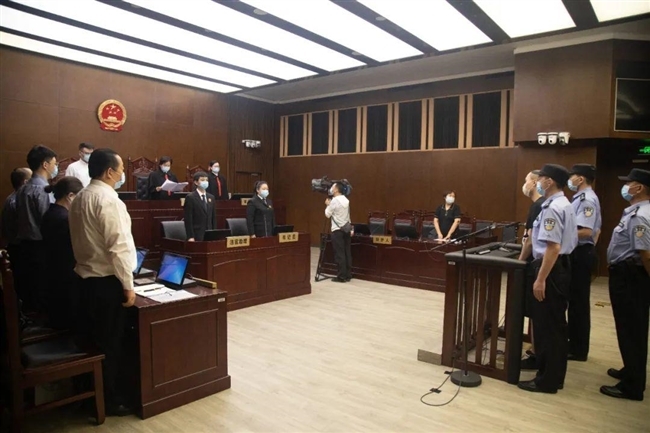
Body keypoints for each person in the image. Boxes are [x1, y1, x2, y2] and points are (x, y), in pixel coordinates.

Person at [69, 148, 136, 416]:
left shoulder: (80, 197)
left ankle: (88, 396)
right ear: (109, 172)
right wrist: (128, 285)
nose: (122, 175)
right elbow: (118, 247)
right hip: (106, 283)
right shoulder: (109, 200)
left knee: (90, 340)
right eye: (121, 170)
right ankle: (109, 401)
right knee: (110, 344)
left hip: (83, 280)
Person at [517, 164, 577, 394]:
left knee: (547, 328)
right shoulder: (564, 204)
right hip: (560, 268)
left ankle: (546, 381)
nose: (538, 182)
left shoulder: (552, 207)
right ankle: (554, 377)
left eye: (541, 178)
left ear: (549, 181)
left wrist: (540, 279)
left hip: (550, 269)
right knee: (556, 327)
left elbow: (552, 247)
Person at [601, 168, 650, 401]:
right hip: (628, 276)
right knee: (629, 328)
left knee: (631, 330)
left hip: (631, 277)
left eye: (629, 183)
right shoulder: (637, 211)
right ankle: (630, 369)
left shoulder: (639, 215)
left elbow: (645, 254)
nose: (625, 187)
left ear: (638, 188)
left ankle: (632, 386)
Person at [15, 145, 57, 311]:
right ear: (45, 165)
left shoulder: (22, 189)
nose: (55, 167)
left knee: (31, 290)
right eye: (54, 163)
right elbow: (49, 221)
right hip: (41, 247)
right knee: (42, 291)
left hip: (24, 246)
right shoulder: (43, 190)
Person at [567, 164, 602, 362]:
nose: (570, 180)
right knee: (574, 301)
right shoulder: (580, 197)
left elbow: (587, 231)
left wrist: (561, 235)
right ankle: (574, 344)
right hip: (579, 252)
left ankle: (578, 349)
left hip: (581, 253)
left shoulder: (586, 199)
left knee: (579, 303)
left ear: (580, 179)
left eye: (572, 176)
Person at [41, 176, 83, 329]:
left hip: (52, 269)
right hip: (64, 272)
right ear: (70, 196)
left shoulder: (50, 212)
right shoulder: (64, 218)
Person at [518, 169, 545, 370]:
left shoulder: (538, 205)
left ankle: (537, 354)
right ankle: (537, 351)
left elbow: (529, 240)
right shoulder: (543, 204)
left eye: (526, 180)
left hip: (535, 264)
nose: (525, 184)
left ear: (534, 183)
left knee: (537, 313)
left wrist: (519, 261)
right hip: (540, 262)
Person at [1, 168, 32, 299]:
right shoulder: (17, 202)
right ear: (25, 182)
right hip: (19, 249)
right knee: (25, 285)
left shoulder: (14, 198)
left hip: (17, 247)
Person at [325, 182, 352, 283]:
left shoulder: (334, 201)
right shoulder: (346, 200)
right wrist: (351, 228)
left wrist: (327, 205)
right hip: (346, 229)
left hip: (337, 230)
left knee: (339, 253)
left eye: (333, 187)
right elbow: (348, 216)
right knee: (347, 252)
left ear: (336, 189)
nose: (331, 189)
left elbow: (327, 214)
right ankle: (348, 275)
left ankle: (341, 276)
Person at [184, 171, 216, 242]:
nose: (205, 182)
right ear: (196, 182)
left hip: (209, 233)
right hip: (197, 234)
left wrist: (214, 233)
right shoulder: (190, 197)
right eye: (202, 180)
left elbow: (213, 218)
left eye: (206, 180)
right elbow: (188, 219)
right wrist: (190, 236)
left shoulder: (211, 197)